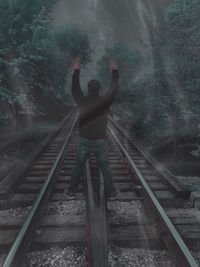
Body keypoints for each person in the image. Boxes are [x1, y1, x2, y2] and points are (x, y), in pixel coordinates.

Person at [64, 56, 120, 200]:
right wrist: (114, 70)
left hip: (84, 140)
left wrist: (76, 69)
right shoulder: (105, 102)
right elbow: (113, 89)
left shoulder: (82, 100)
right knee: (105, 167)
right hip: (100, 141)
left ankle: (71, 191)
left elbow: (75, 87)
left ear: (88, 89)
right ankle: (111, 191)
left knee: (78, 166)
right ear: (99, 89)